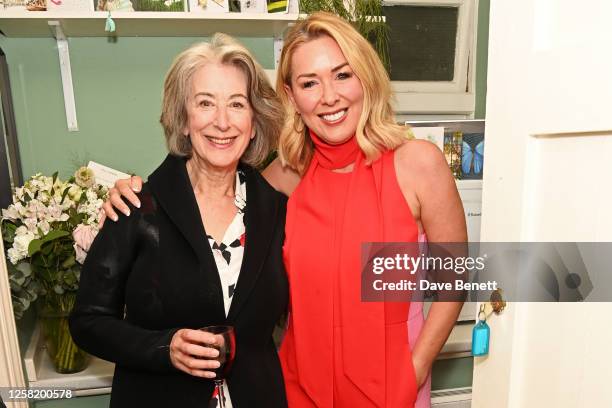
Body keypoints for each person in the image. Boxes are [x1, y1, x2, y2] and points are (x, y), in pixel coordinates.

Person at [104, 12, 466, 408]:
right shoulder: (287, 176)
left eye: (343, 75)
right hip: (299, 390)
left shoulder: (418, 164)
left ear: (366, 78)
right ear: (292, 97)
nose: (329, 96)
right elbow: (209, 184)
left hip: (392, 389)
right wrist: (135, 193)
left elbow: (456, 279)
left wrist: (414, 370)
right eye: (310, 83)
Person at [69, 34, 289, 408]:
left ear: (254, 123)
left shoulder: (277, 211)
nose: (222, 121)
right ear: (184, 119)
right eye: (205, 103)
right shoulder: (136, 207)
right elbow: (87, 322)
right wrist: (163, 347)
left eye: (237, 104)